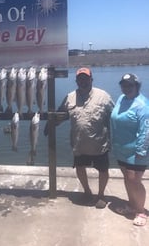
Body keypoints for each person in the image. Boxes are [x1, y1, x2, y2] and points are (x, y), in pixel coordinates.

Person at [45, 67, 114, 208]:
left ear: (91, 79)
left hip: (99, 144)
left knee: (103, 170)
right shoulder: (70, 97)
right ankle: (87, 192)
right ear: (76, 81)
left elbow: (115, 117)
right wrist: (50, 123)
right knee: (80, 168)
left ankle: (101, 195)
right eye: (80, 79)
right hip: (79, 144)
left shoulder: (104, 96)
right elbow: (60, 114)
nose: (83, 81)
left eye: (86, 78)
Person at [111, 73, 149, 226]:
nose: (126, 88)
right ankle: (132, 205)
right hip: (121, 149)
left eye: (130, 85)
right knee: (127, 179)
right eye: (123, 84)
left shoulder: (143, 106)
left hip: (136, 151)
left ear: (137, 86)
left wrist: (141, 151)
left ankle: (141, 211)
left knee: (135, 181)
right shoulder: (121, 99)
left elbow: (146, 131)